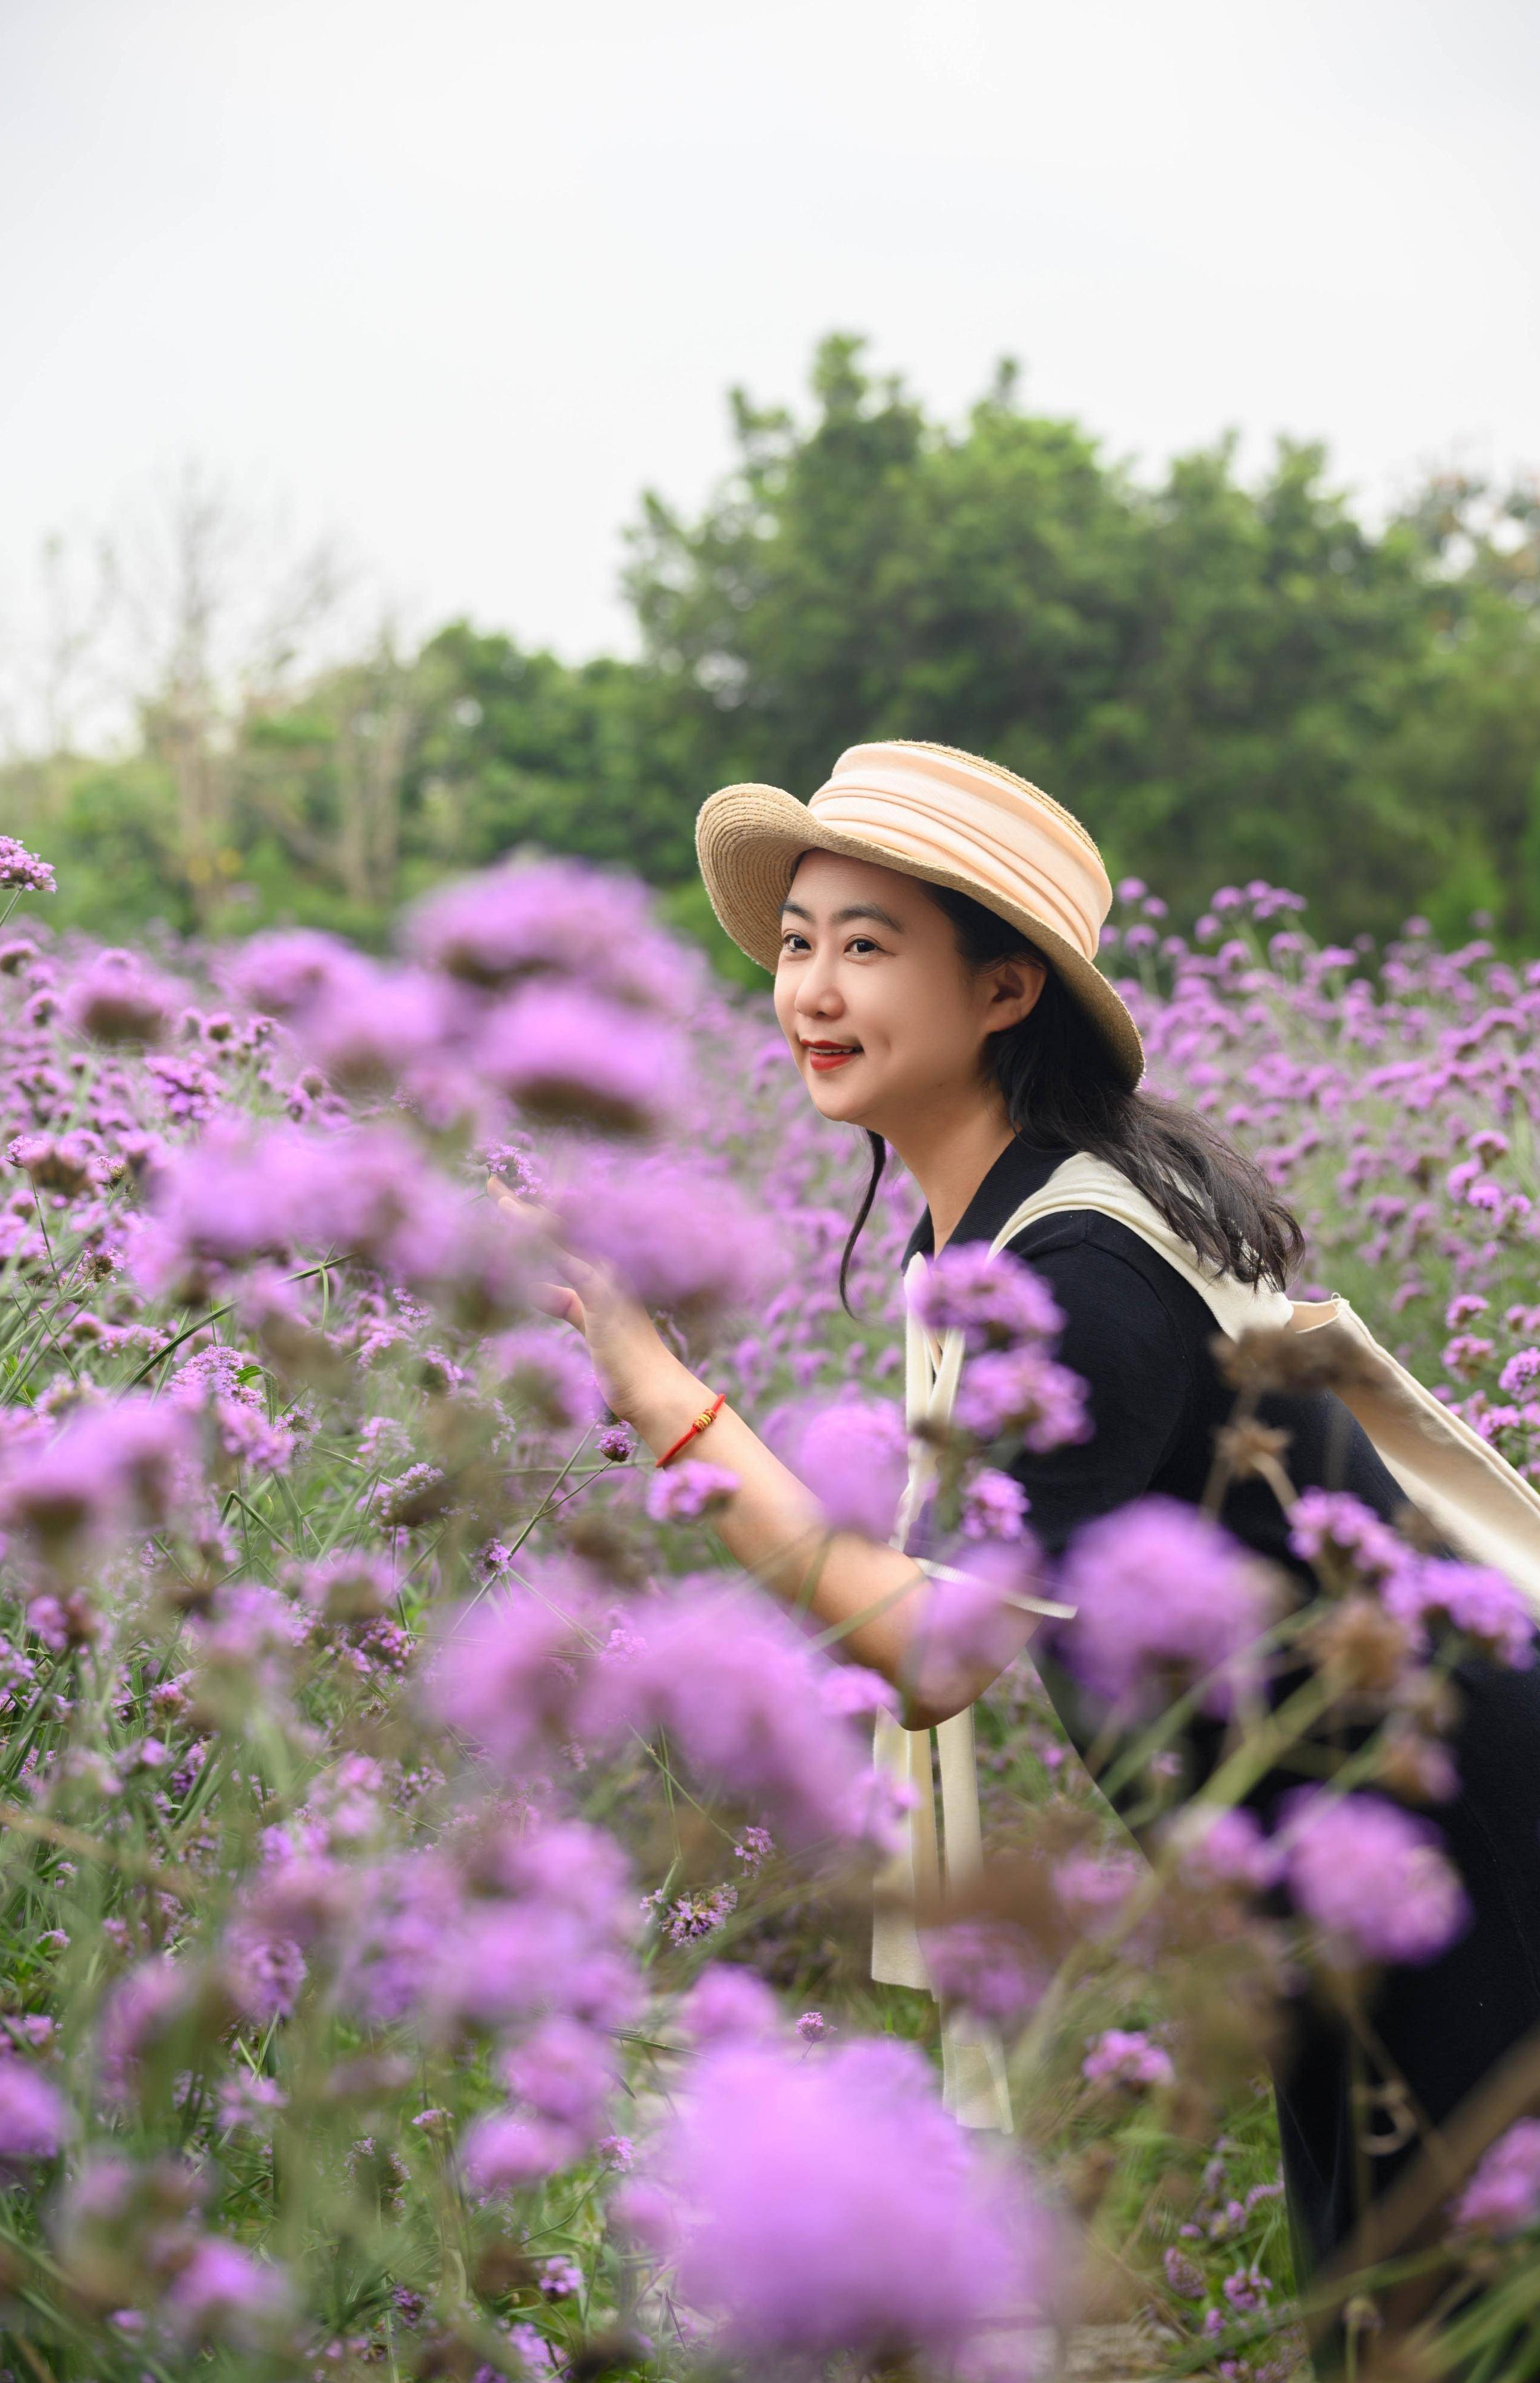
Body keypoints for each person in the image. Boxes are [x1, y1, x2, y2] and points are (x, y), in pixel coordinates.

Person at [485, 737, 1540, 2358]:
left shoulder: (1069, 1266)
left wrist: (663, 1398)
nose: (813, 989)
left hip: (1461, 1859)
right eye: (798, 943)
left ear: (999, 993)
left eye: (868, 945)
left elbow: (932, 1643)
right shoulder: (1005, 1223)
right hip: (1364, 1860)